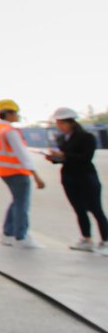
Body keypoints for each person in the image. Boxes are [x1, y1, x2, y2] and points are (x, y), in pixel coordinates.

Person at [45, 107, 108, 254]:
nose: (59, 126)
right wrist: (54, 158)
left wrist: (64, 154)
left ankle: (106, 240)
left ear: (71, 122)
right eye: (58, 123)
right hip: (69, 177)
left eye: (61, 123)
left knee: (96, 209)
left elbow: (85, 158)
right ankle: (86, 239)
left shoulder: (87, 137)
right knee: (79, 209)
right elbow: (65, 159)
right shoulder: (61, 138)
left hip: (86, 177)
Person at [0, 98, 46, 248]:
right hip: (17, 172)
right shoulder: (10, 131)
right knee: (22, 204)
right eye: (16, 113)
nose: (18, 116)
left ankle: (7, 234)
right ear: (8, 114)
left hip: (3, 171)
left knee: (16, 201)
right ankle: (21, 236)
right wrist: (36, 175)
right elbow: (22, 155)